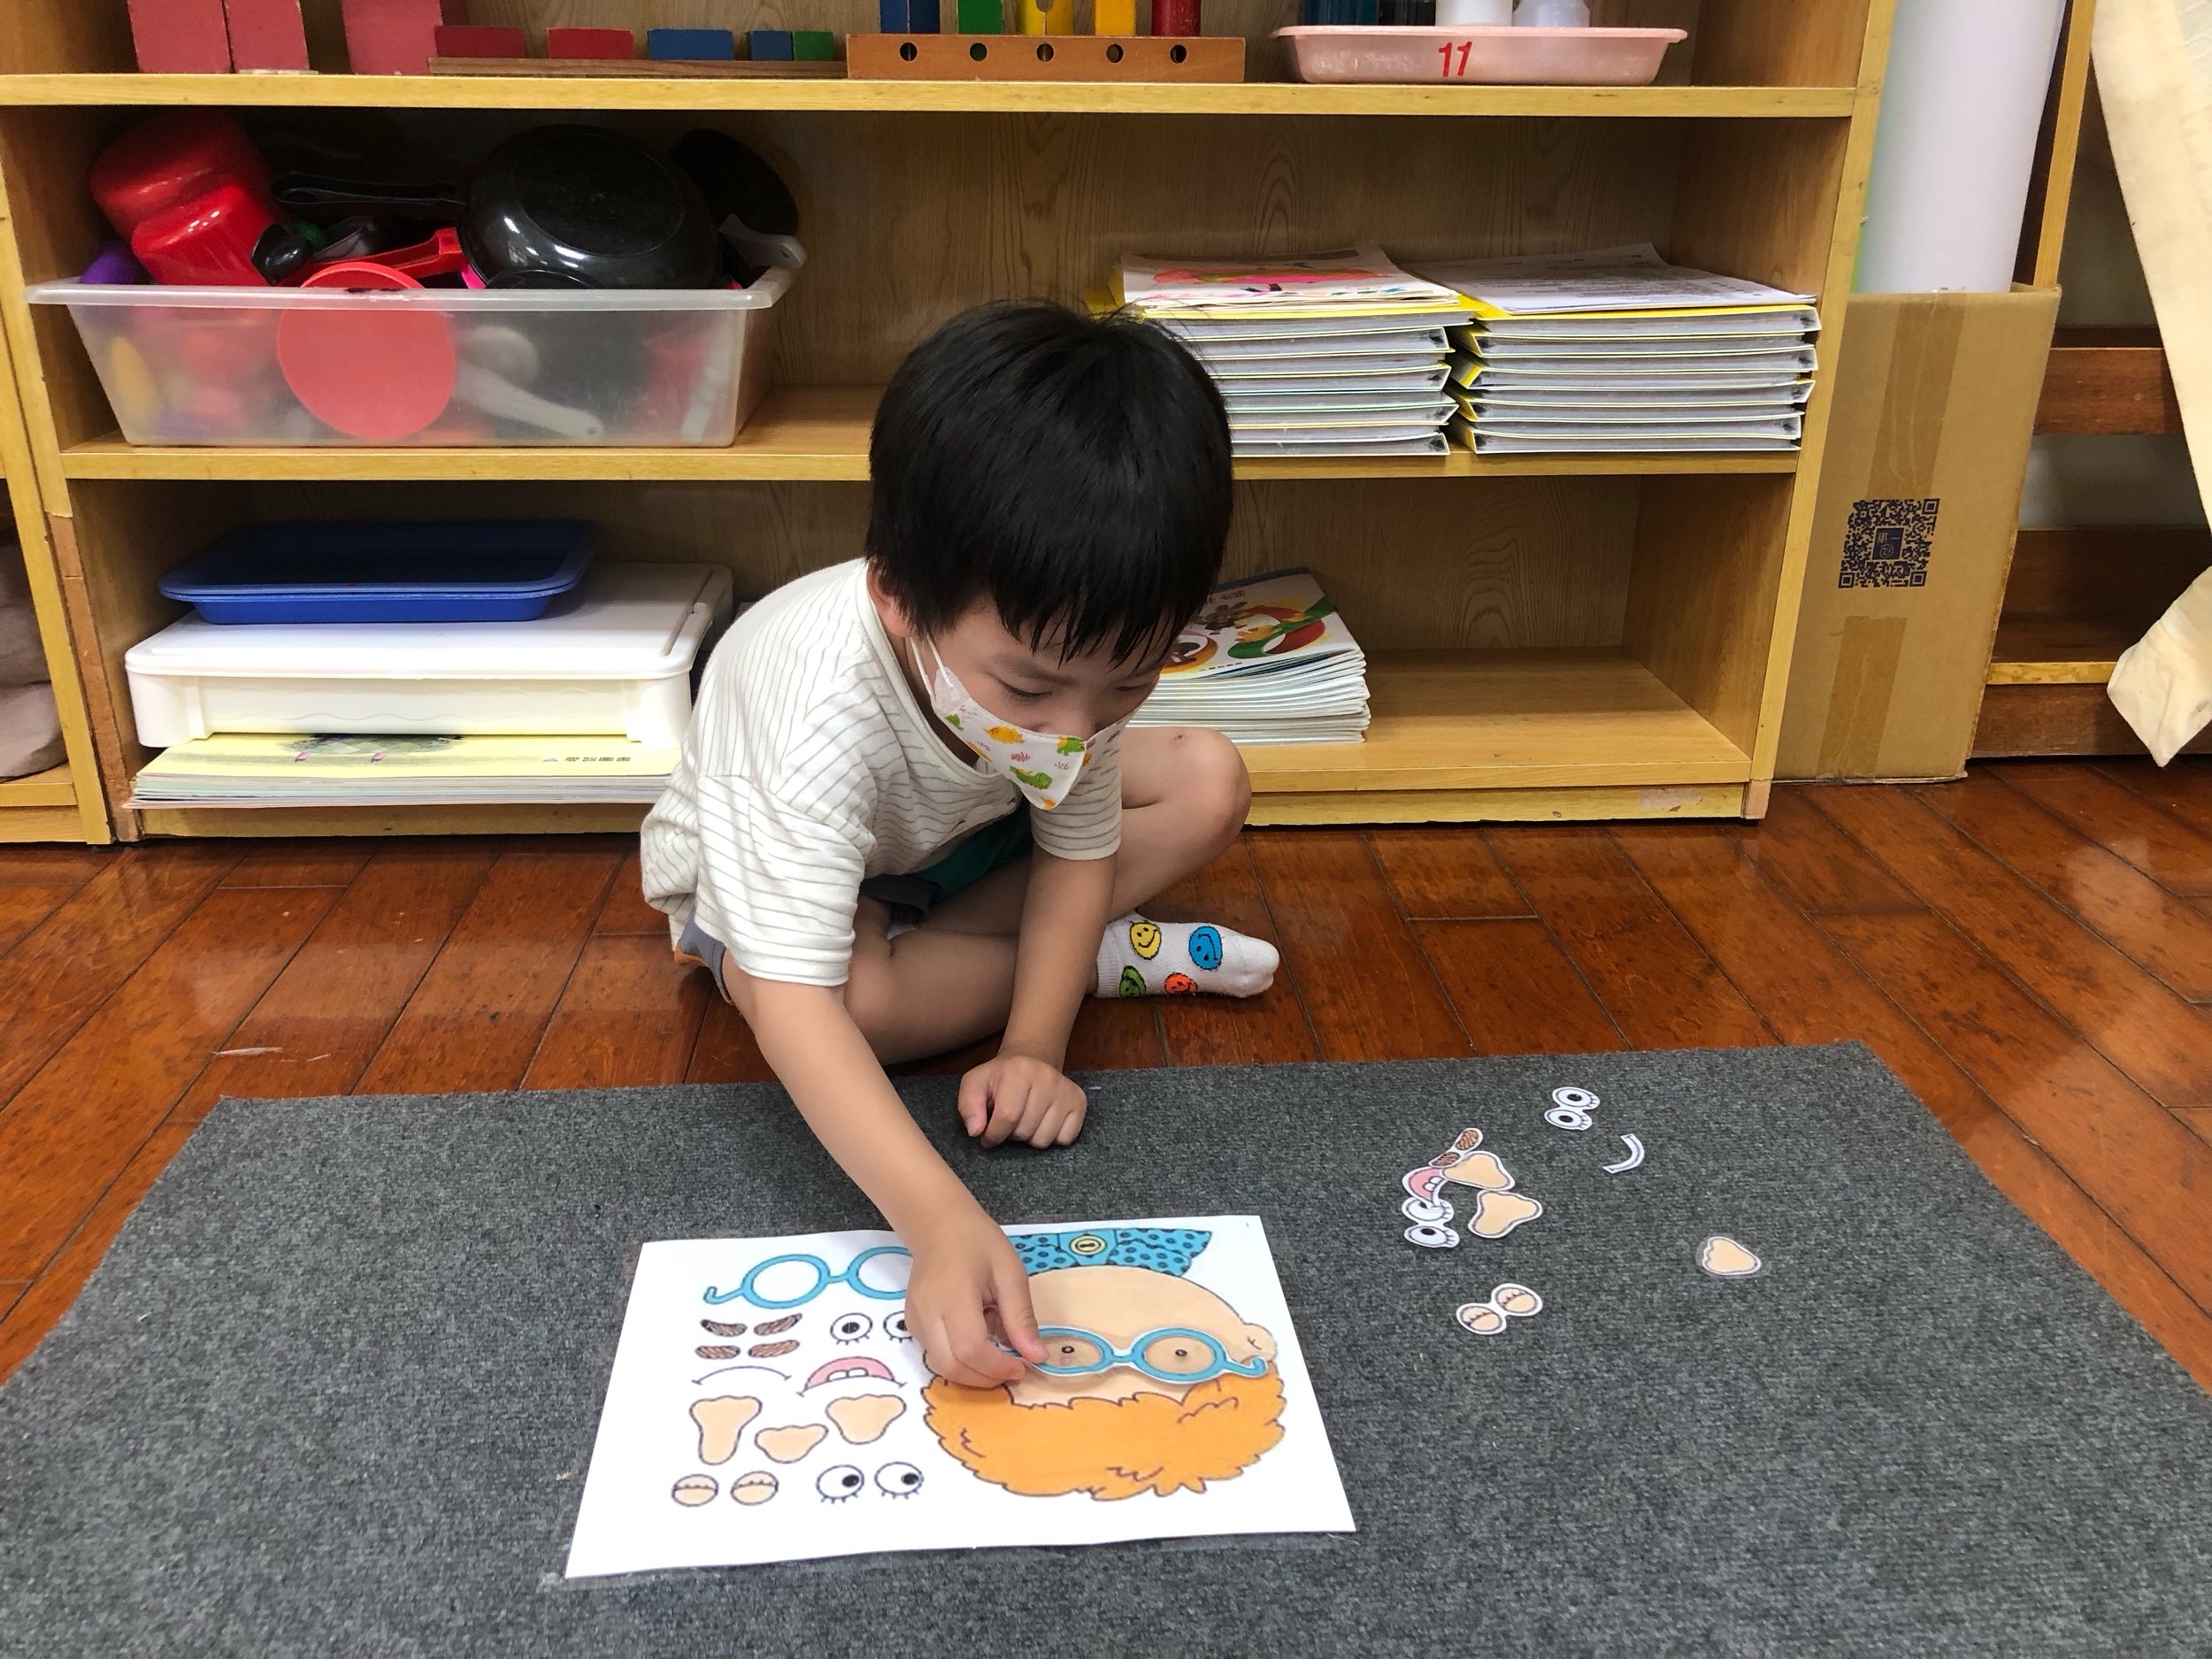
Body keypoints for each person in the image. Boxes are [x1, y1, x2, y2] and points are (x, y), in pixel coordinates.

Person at [641, 303, 1281, 1393]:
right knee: (844, 1010)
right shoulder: (806, 709)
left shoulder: (1066, 689)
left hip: (958, 834)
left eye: (1127, 684)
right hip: (774, 881)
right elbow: (793, 1002)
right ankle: (1100, 957)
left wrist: (1036, 1045)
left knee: (1209, 779)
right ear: (896, 593)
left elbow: (1075, 844)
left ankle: (1053, 963)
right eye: (1029, 687)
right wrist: (937, 1218)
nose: (1076, 730)